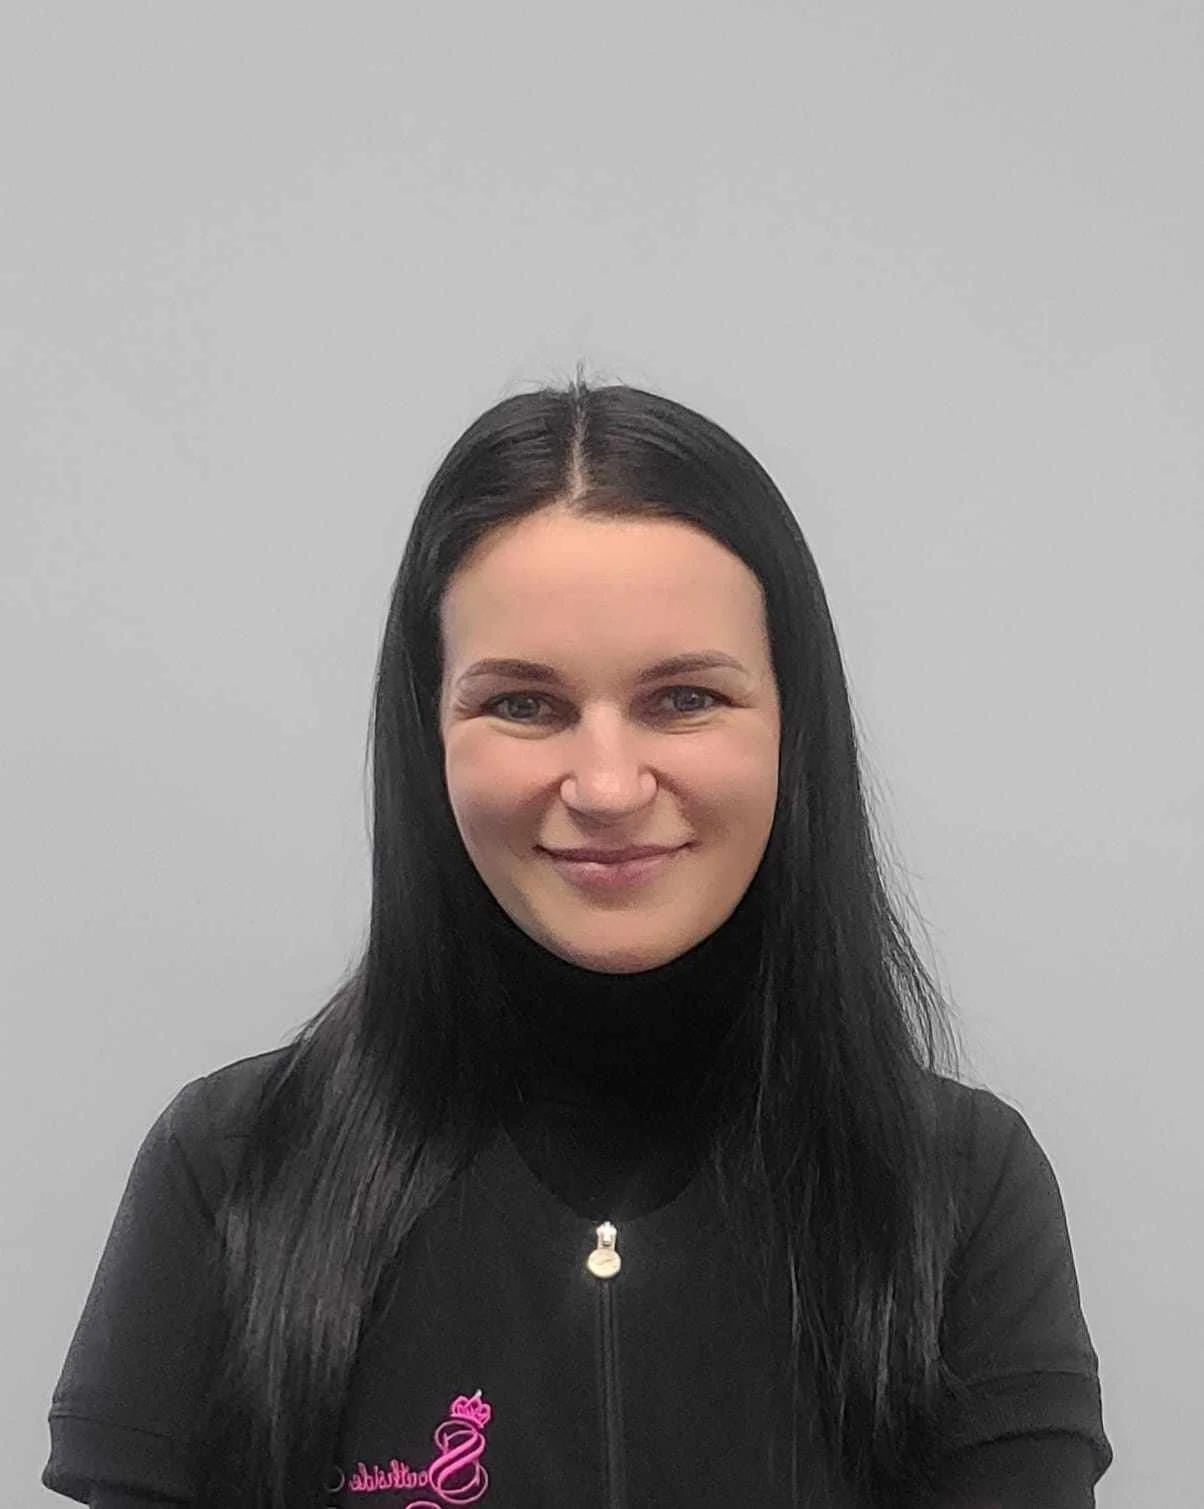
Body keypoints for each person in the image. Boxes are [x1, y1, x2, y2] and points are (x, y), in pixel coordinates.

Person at [43, 376, 1113, 1509]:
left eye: (684, 698)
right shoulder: (230, 1172)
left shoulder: (956, 1189)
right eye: (523, 705)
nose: (605, 786)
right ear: (428, 736)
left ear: (792, 729)